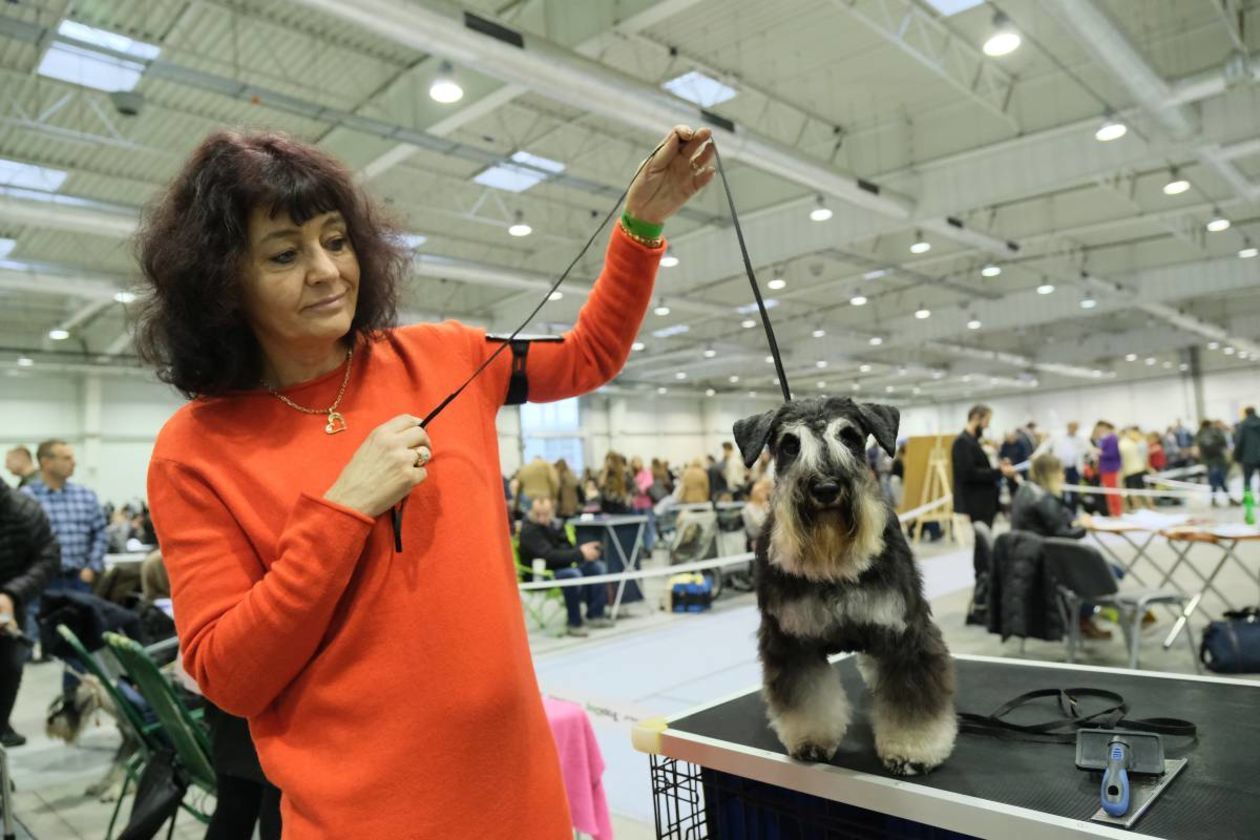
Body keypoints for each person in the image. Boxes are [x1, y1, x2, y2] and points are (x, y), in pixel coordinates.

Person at [135, 126, 714, 837]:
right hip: (359, 821)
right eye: (285, 254)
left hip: (519, 798)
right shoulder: (194, 450)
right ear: (222, 283)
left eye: (336, 240)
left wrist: (641, 223)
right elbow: (230, 676)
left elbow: (589, 353)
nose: (326, 270)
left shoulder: (443, 357)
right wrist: (343, 510)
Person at [1010, 454, 1114, 640]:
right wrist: (1083, 526)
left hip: (1027, 559)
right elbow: (1063, 535)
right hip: (1047, 564)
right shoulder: (1043, 499)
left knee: (1106, 569)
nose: (1063, 476)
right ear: (1051, 473)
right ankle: (1084, 617)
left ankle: (1084, 616)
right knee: (1110, 571)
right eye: (1060, 472)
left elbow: (1055, 524)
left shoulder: (1024, 491)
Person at [0, 481, 59, 746]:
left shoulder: (23, 510)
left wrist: (12, 594)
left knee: (9, 672)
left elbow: (48, 557)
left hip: (10, 608)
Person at [518, 497, 611, 638]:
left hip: (562, 566)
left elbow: (567, 548)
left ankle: (595, 614)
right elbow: (549, 556)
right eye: (538, 514)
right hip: (540, 575)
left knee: (597, 568)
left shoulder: (556, 525)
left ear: (552, 512)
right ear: (532, 512)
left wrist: (581, 553)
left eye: (546, 513)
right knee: (573, 575)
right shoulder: (528, 531)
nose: (542, 518)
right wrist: (580, 553)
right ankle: (574, 622)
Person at [952, 405, 1014, 531]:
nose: (987, 426)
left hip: (985, 501)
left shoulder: (974, 441)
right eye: (987, 421)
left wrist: (999, 466)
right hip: (977, 502)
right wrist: (998, 471)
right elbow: (969, 473)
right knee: (982, 542)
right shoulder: (962, 442)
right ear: (976, 418)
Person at [1035, 421, 1089, 510]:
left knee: (1074, 492)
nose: (1074, 430)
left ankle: (1073, 512)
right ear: (1068, 426)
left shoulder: (1080, 438)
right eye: (1073, 427)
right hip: (1060, 468)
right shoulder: (1057, 436)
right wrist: (1035, 455)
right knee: (1059, 490)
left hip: (1074, 468)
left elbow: (1087, 449)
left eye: (1076, 428)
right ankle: (1060, 510)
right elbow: (1045, 446)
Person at [1195, 419, 1234, 506]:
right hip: (1218, 459)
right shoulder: (1215, 431)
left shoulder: (1199, 434)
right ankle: (1228, 499)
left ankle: (1217, 499)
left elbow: (1199, 449)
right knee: (1220, 479)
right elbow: (1224, 443)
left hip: (1208, 461)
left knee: (1215, 480)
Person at [1093, 421, 1123, 517]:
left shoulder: (1112, 438)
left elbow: (1112, 453)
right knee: (1109, 492)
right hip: (1106, 468)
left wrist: (1100, 453)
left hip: (1110, 468)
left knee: (1112, 492)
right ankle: (1113, 512)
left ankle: (1116, 512)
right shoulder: (1107, 438)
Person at [1119, 427, 1151, 511]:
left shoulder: (1122, 444)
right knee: (1143, 491)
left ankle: (1138, 510)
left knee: (1133, 492)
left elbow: (1123, 461)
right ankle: (1149, 509)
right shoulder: (1132, 442)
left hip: (1130, 471)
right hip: (1139, 469)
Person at [1235, 406, 1260, 496]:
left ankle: (1248, 497)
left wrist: (1236, 457)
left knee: (1247, 479)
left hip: (1247, 457)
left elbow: (1239, 441)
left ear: (1246, 413)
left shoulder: (1243, 424)